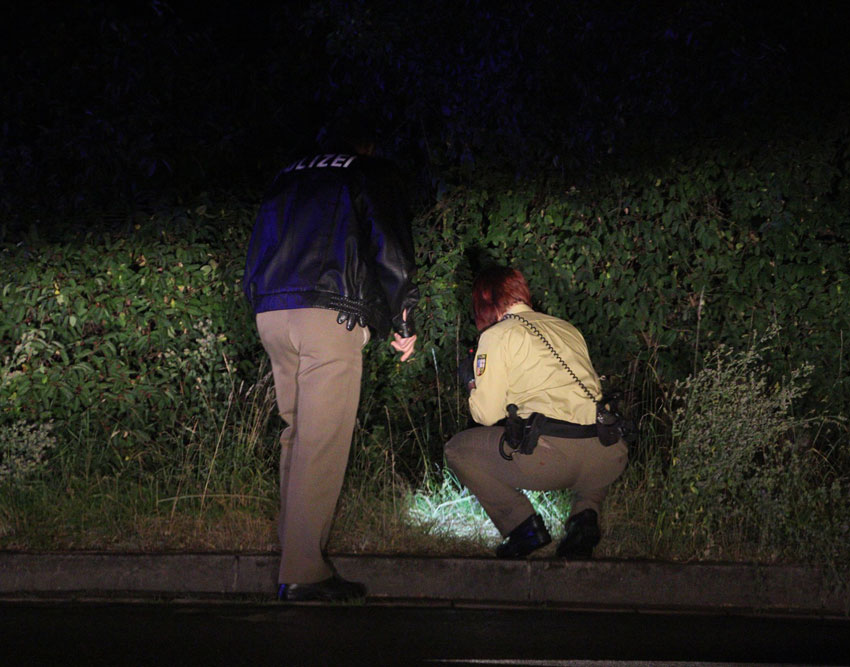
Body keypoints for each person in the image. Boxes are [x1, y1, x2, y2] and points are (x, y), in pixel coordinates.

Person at [243, 127, 419, 602]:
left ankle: (295, 558)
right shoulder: (365, 172)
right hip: (328, 313)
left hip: (273, 313)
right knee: (321, 443)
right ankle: (304, 572)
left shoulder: (286, 177)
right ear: (364, 143)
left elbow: (258, 246)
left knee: (297, 436)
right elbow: (389, 245)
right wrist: (402, 316)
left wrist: (260, 304)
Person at [445, 266, 628, 559]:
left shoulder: (498, 334)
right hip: (607, 453)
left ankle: (523, 527)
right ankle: (585, 517)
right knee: (589, 446)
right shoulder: (566, 328)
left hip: (551, 458)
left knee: (457, 450)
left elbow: (487, 415)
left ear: (484, 302)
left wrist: (471, 381)